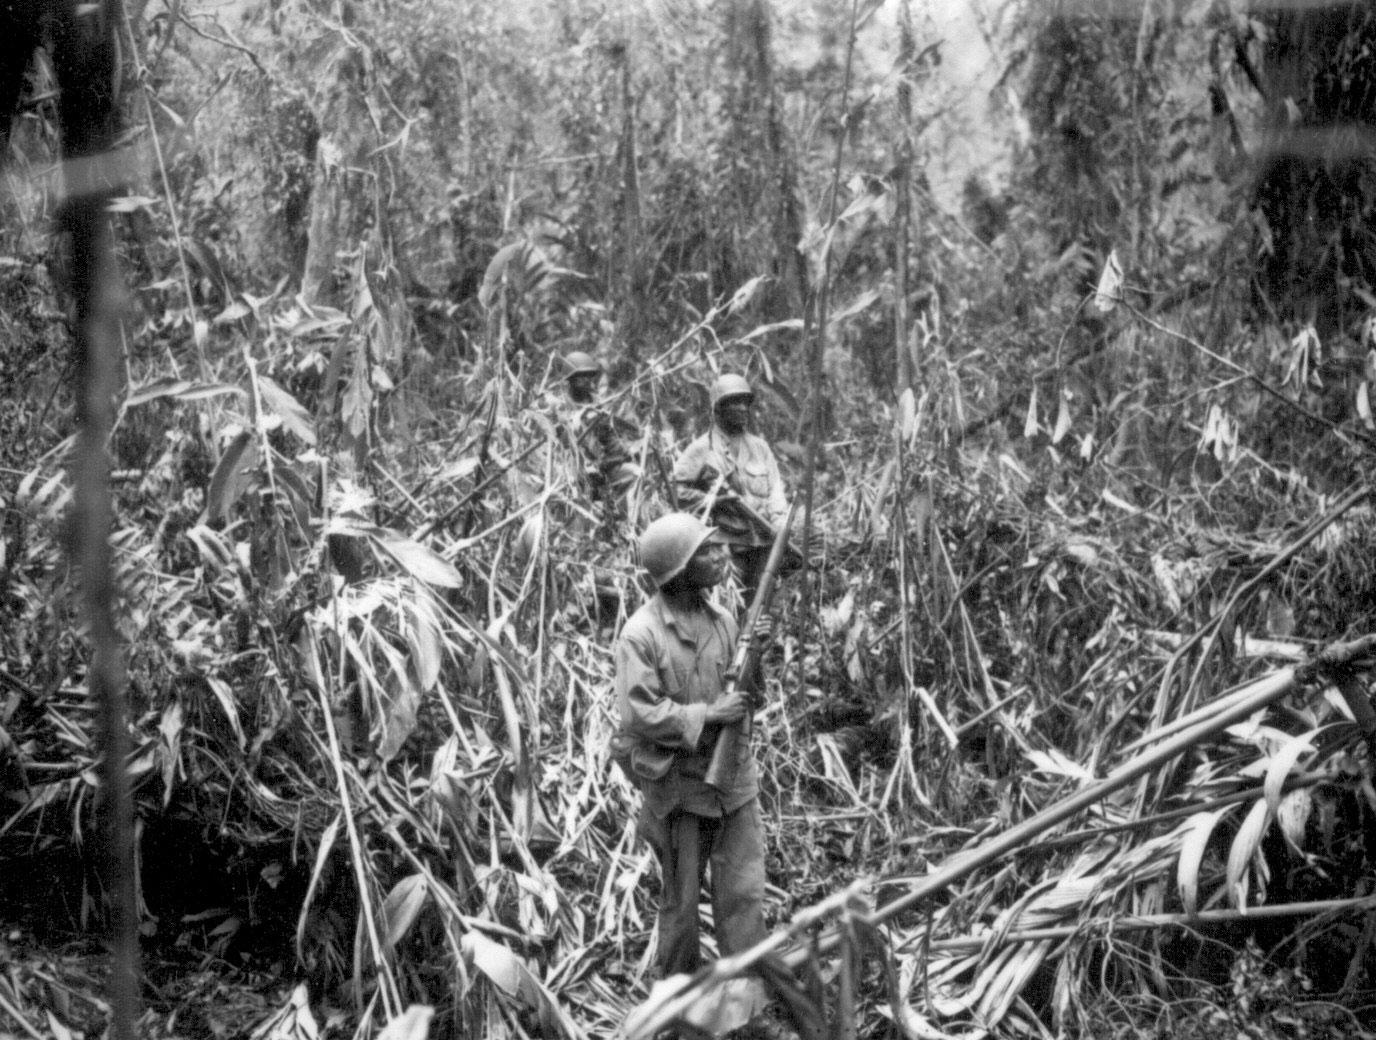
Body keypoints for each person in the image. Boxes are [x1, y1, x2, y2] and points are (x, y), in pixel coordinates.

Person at [611, 513, 768, 978]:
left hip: (733, 784)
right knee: (681, 911)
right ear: (679, 568)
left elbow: (745, 700)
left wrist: (757, 654)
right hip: (680, 792)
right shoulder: (641, 635)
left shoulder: (723, 620)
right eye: (707, 550)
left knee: (743, 901)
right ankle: (680, 1013)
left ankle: (747, 1010)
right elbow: (638, 714)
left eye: (719, 546)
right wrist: (704, 716)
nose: (722, 555)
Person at [672, 374, 793, 599]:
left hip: (762, 541)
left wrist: (779, 524)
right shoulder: (702, 449)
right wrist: (715, 501)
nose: (742, 409)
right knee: (729, 606)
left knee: (761, 603)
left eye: (745, 403)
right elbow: (675, 492)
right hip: (724, 547)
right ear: (718, 408)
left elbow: (776, 491)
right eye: (734, 402)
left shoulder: (760, 447)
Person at [556, 351, 635, 505]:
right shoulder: (561, 407)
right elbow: (559, 448)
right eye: (581, 377)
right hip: (574, 472)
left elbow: (609, 437)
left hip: (601, 467)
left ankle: (614, 515)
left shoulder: (596, 405)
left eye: (588, 375)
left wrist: (623, 453)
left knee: (633, 473)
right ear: (571, 380)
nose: (586, 381)